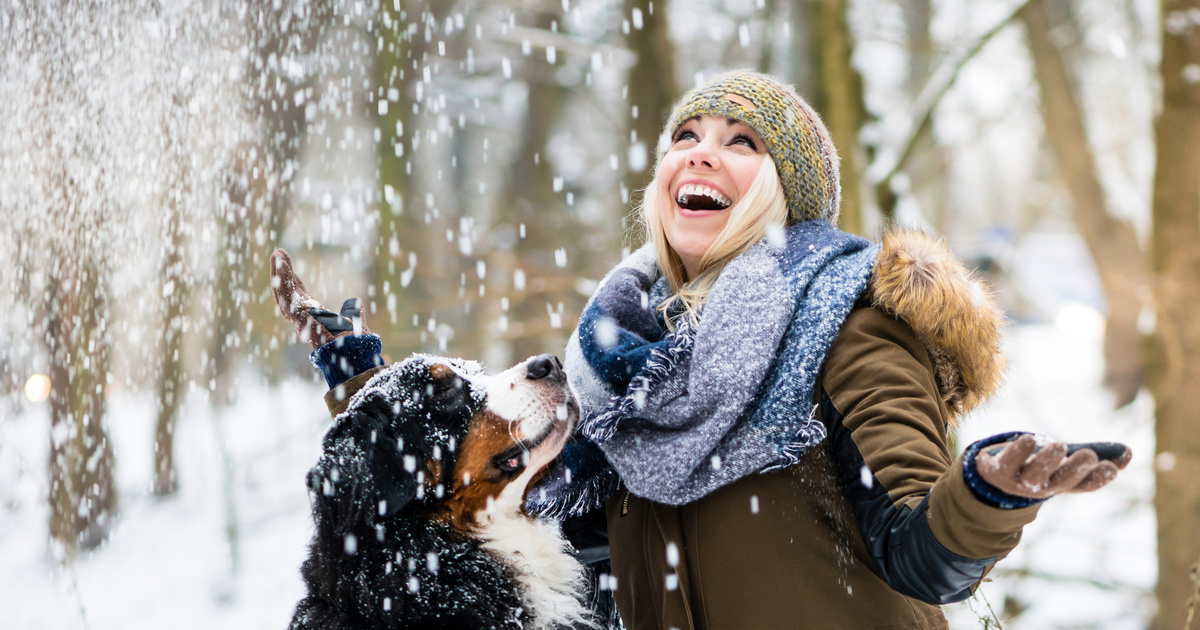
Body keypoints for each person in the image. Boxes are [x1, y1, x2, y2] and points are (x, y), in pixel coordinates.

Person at [273, 70, 1131, 630]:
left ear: (783, 196)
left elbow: (922, 553)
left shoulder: (847, 324)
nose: (703, 153)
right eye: (686, 137)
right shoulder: (622, 356)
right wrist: (366, 389)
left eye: (741, 142)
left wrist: (985, 494)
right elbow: (490, 495)